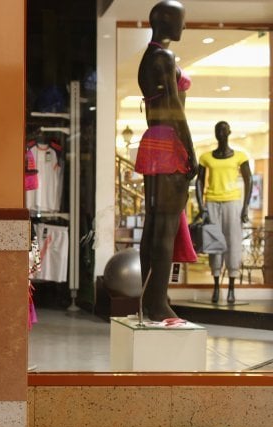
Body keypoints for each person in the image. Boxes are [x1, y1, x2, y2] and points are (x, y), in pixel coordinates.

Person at [134, 0, 197, 322]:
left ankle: (151, 299)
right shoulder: (163, 57)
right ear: (168, 20)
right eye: (182, 21)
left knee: (154, 225)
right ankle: (157, 303)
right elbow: (174, 109)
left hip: (153, 142)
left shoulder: (150, 56)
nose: (184, 27)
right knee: (165, 228)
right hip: (168, 144)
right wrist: (192, 151)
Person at [196, 121, 253, 303]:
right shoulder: (206, 157)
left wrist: (245, 207)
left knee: (233, 243)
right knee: (215, 244)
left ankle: (231, 287)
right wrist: (201, 205)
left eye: (223, 129)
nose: (220, 132)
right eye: (217, 130)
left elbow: (249, 180)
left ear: (229, 132)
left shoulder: (240, 156)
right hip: (212, 202)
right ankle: (216, 286)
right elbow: (199, 181)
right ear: (215, 133)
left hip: (232, 202)